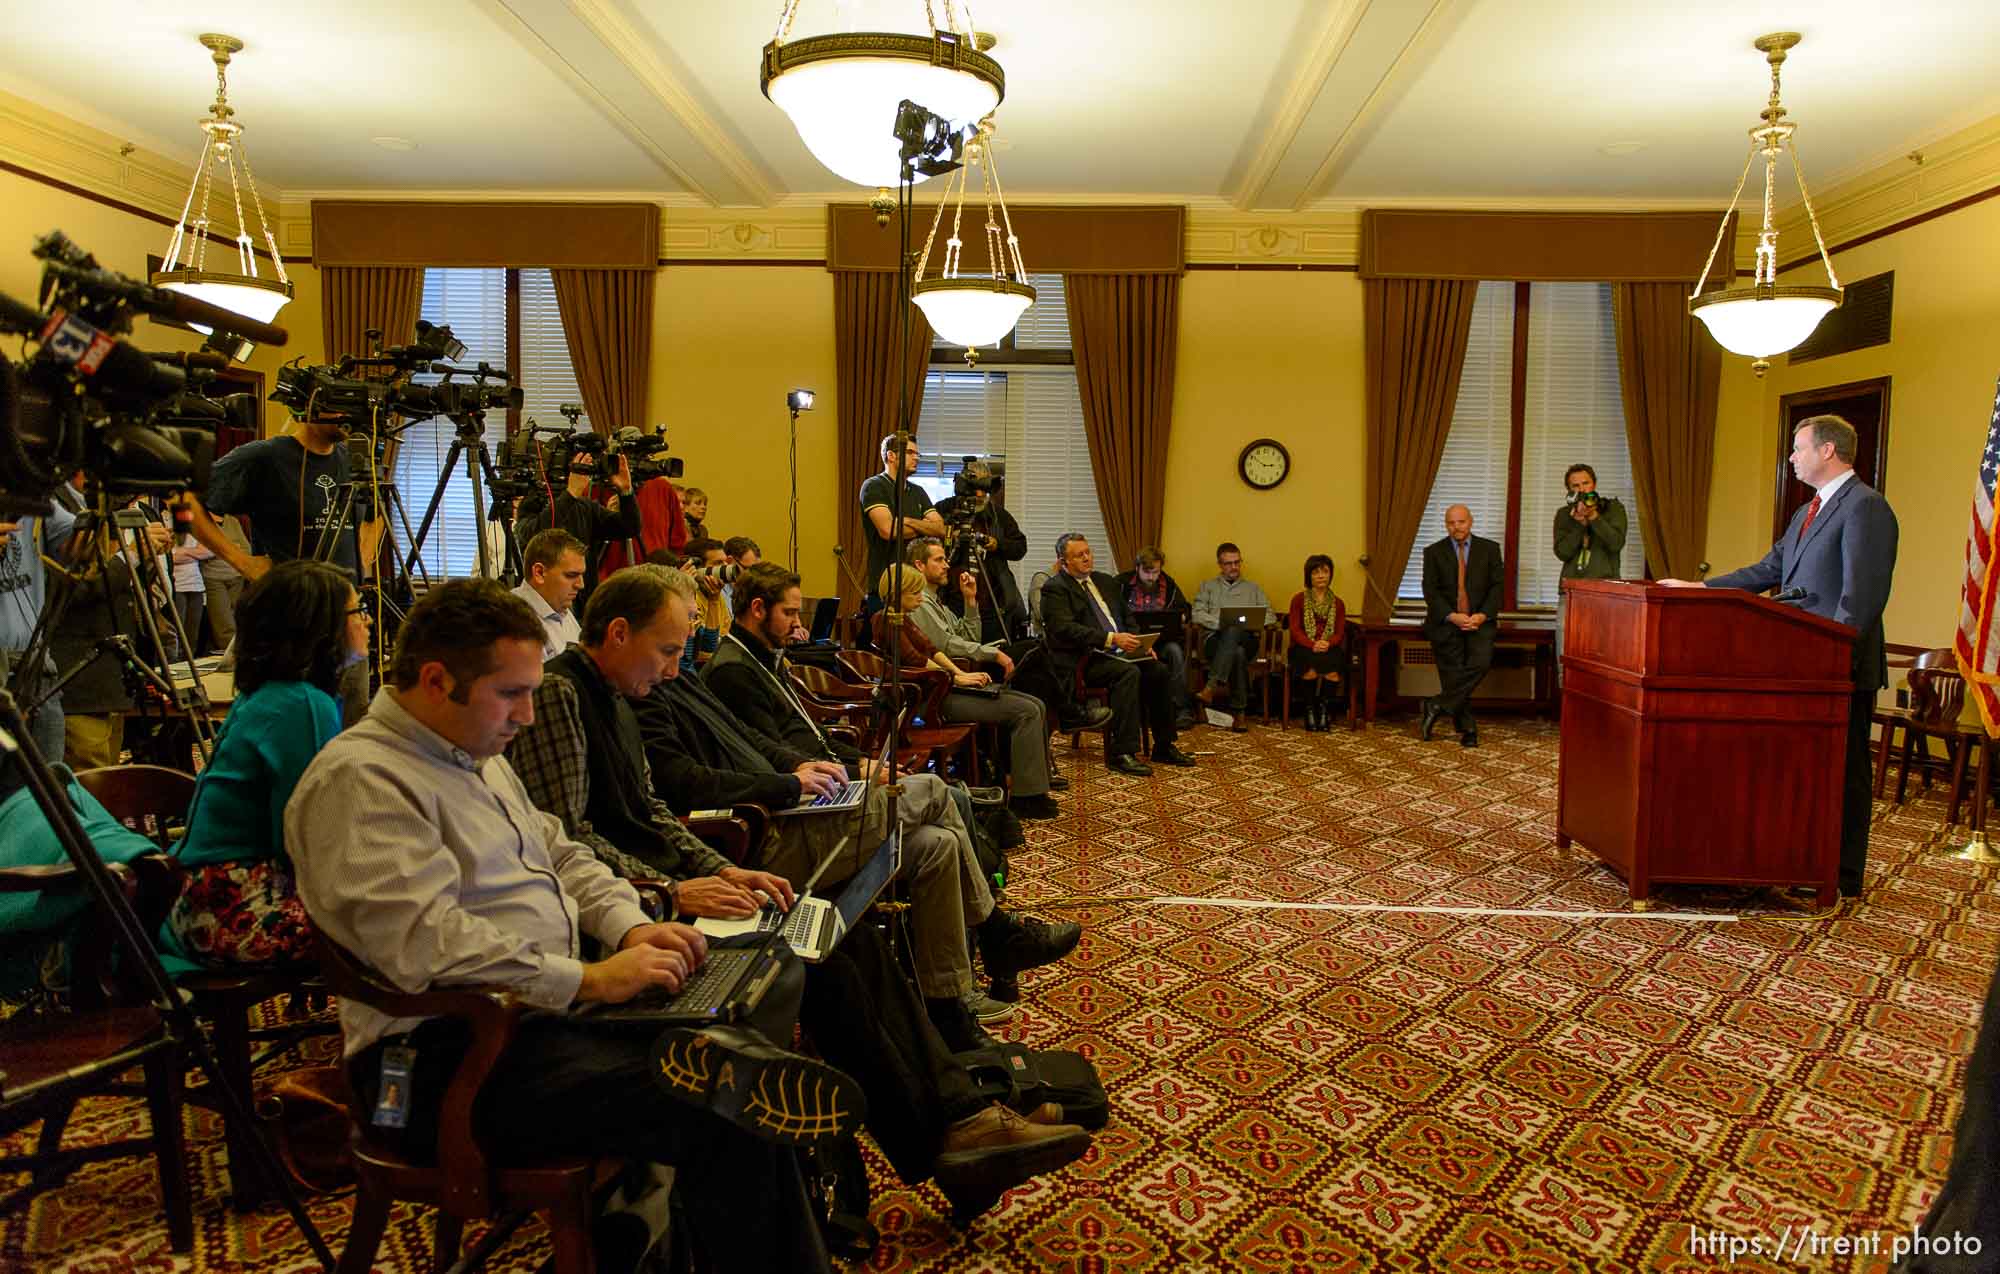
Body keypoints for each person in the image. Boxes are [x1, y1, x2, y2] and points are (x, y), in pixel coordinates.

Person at [287, 578, 855, 1271]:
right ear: (437, 681)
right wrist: (586, 977)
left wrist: (627, 927)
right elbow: (423, 946)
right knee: (730, 1098)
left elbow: (560, 850)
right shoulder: (361, 779)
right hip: (440, 1066)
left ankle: (684, 1235)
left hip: (536, 1025)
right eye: (512, 694)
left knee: (755, 1001)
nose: (528, 715)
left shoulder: (472, 754)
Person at [510, 565, 1078, 1049]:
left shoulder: (639, 686)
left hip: (733, 846)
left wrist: (778, 801)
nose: (673, 664)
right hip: (748, 837)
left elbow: (672, 793)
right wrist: (681, 882)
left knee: (936, 844)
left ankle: (949, 1007)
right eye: (668, 649)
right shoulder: (569, 692)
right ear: (616, 634)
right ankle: (999, 931)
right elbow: (584, 830)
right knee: (929, 791)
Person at [1662, 414, 1898, 903]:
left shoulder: (1866, 507)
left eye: (1798, 448)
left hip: (1839, 668)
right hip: (1799, 666)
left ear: (1827, 451)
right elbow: (1770, 569)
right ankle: (1802, 856)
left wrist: (1831, 655)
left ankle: (1843, 871)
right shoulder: (1805, 512)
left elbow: (1861, 599)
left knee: (1845, 770)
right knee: (1804, 770)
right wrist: (1702, 589)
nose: (1791, 458)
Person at [164, 561, 367, 966]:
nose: (367, 622)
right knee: (408, 921)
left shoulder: (272, 694)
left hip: (196, 895)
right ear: (319, 627)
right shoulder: (300, 704)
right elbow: (306, 837)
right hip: (237, 903)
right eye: (357, 611)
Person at [877, 558, 1060, 821]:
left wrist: (961, 674)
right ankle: (1026, 799)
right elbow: (917, 661)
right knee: (1026, 711)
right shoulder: (886, 620)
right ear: (896, 594)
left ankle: (1035, 788)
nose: (919, 598)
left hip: (946, 686)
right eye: (914, 593)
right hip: (934, 700)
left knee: (1035, 704)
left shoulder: (904, 619)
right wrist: (956, 678)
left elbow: (933, 650)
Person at [1039, 534, 1194, 777]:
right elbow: (1063, 629)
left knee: (1158, 670)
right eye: (1079, 555)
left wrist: (1140, 644)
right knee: (1128, 673)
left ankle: (1164, 745)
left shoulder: (1105, 581)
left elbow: (1128, 618)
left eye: (1088, 552)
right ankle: (1122, 753)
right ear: (1063, 562)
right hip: (1085, 659)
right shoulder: (1055, 588)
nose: (1087, 558)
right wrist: (1110, 639)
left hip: (1120, 652)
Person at [1, 494, 92, 761]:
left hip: (36, 669)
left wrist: (103, 510)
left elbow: (82, 550)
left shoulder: (28, 494)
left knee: (46, 791)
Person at [1419, 505, 1502, 748]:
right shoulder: (1433, 552)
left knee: (1481, 662)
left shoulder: (1490, 549)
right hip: (1446, 623)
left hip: (1480, 621)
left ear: (1471, 521)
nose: (1457, 527)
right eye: (1451, 523)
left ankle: (1436, 704)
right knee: (1453, 673)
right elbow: (1430, 591)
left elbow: (1497, 587)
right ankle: (1468, 729)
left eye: (1461, 522)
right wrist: (1451, 616)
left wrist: (1482, 615)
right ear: (1446, 525)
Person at [515, 447, 641, 601]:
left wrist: (626, 491)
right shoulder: (534, 501)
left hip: (583, 603)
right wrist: (571, 494)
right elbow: (534, 538)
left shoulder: (584, 507)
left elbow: (629, 527)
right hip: (543, 603)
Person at [932, 461, 1030, 642]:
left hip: (991, 603)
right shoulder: (942, 510)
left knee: (993, 655)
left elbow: (1020, 547)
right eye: (975, 487)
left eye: (984, 488)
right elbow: (924, 546)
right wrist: (949, 535)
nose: (979, 494)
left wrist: (997, 545)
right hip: (950, 601)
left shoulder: (998, 515)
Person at [1551, 463, 1627, 677]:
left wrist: (1594, 518)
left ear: (1594, 484)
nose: (1582, 489)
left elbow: (1615, 543)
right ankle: (1567, 704)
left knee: (1604, 655)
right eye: (1575, 486)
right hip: (1571, 594)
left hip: (1605, 592)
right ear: (1569, 490)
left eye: (1586, 483)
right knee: (1565, 656)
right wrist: (1579, 524)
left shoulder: (1613, 509)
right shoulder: (1564, 515)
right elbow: (1563, 553)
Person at [859, 432, 947, 613]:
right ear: (891, 456)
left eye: (917, 454)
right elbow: (888, 531)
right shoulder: (874, 486)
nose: (916, 457)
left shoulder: (918, 491)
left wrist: (906, 521)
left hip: (915, 588)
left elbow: (940, 529)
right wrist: (924, 527)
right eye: (909, 452)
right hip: (887, 588)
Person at [1190, 542, 1272, 732]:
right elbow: (1197, 614)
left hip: (1248, 638)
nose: (1234, 567)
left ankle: (1211, 687)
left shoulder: (1253, 588)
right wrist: (1220, 624)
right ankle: (1240, 713)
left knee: (1236, 633)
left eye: (1237, 562)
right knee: (1237, 652)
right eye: (1228, 563)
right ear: (1220, 564)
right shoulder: (1208, 587)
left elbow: (1270, 615)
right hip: (1215, 641)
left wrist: (1250, 623)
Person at [1117, 547, 1196, 730]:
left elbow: (1184, 608)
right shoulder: (1121, 584)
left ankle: (1181, 709)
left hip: (1161, 641)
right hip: (1129, 642)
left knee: (1175, 652)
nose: (1152, 577)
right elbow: (1111, 612)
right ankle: (1134, 712)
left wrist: (1182, 616)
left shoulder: (1168, 584)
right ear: (1137, 568)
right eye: (1147, 572)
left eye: (1156, 572)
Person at [1288, 554, 1349, 732]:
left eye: (1325, 571)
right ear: (1309, 576)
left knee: (1332, 672)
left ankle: (1324, 710)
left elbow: (1339, 632)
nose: (1321, 576)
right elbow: (1295, 629)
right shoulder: (1298, 599)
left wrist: (1327, 643)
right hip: (1303, 646)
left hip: (1329, 646)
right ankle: (1309, 711)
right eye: (1316, 572)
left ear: (1331, 575)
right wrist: (1311, 644)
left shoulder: (1338, 603)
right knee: (1310, 671)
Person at [511, 528, 587, 661]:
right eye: (571, 575)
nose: (581, 585)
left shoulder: (560, 608)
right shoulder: (515, 622)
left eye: (581, 575)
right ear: (539, 573)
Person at [165, 495, 210, 654]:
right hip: (177, 584)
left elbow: (207, 551)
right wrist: (192, 553)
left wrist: (183, 552)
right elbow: (169, 557)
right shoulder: (164, 520)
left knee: (193, 633)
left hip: (196, 583)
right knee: (177, 631)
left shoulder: (193, 522)